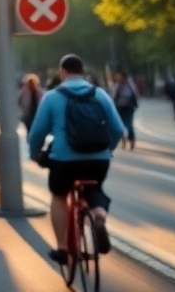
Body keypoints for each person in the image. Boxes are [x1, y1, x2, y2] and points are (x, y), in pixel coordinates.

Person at [28, 54, 126, 266]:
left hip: (64, 160)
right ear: (82, 72)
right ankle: (99, 216)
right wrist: (107, 150)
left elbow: (37, 133)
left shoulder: (52, 97)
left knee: (59, 196)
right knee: (94, 188)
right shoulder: (100, 94)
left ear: (62, 72)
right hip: (98, 160)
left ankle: (62, 248)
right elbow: (118, 129)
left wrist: (34, 153)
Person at [110, 71, 139, 150]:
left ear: (124, 77)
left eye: (119, 77)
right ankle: (124, 140)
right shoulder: (116, 86)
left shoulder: (130, 85)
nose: (118, 79)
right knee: (121, 125)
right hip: (119, 108)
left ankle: (131, 139)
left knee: (129, 125)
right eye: (117, 77)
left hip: (129, 108)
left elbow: (135, 94)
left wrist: (136, 104)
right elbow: (113, 97)